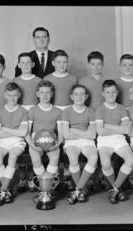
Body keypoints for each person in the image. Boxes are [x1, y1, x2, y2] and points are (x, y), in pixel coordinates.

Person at [95, 80, 133, 204]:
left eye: (113, 92)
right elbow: (100, 132)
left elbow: (126, 129)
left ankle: (114, 189)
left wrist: (107, 125)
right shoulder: (100, 109)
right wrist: (118, 129)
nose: (111, 95)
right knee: (106, 163)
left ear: (117, 93)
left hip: (119, 140)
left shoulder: (122, 108)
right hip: (104, 141)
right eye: (108, 92)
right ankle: (117, 189)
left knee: (131, 160)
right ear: (103, 93)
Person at [43, 49, 78, 191]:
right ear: (53, 63)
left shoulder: (73, 78)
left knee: (68, 144)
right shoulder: (48, 78)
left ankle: (68, 176)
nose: (62, 65)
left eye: (64, 62)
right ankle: (55, 176)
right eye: (58, 62)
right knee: (55, 143)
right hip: (54, 113)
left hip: (69, 113)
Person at [25, 80, 63, 203]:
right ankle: (43, 189)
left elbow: (61, 132)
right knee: (35, 159)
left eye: (48, 92)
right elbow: (27, 132)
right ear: (37, 94)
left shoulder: (58, 111)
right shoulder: (32, 110)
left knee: (55, 158)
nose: (45, 95)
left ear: (52, 94)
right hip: (36, 142)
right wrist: (31, 144)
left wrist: (58, 143)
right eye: (42, 92)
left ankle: (48, 189)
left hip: (52, 141)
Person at [0, 82, 29, 206]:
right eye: (9, 95)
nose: (12, 98)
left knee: (13, 157)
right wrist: (15, 131)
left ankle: (3, 191)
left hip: (17, 142)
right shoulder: (0, 111)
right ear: (5, 95)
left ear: (19, 95)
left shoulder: (23, 111)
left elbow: (24, 132)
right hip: (2, 141)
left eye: (14, 95)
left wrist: (5, 129)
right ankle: (7, 190)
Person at [114, 54, 133, 190]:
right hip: (121, 118)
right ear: (120, 66)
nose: (127, 68)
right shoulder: (116, 82)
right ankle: (119, 177)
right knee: (122, 146)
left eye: (130, 65)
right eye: (124, 65)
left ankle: (130, 176)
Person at [62, 84, 98, 204]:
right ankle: (81, 190)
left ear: (86, 96)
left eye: (82, 94)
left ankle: (78, 190)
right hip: (71, 141)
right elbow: (66, 135)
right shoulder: (67, 112)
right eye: (76, 94)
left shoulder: (91, 112)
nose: (79, 97)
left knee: (93, 158)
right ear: (72, 97)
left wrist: (74, 130)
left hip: (87, 141)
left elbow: (92, 135)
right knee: (73, 158)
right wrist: (84, 133)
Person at [79, 51, 108, 191]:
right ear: (89, 64)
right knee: (89, 147)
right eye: (93, 64)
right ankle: (90, 177)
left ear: (102, 64)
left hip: (104, 118)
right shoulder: (83, 81)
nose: (96, 67)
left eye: (98, 64)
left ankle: (102, 176)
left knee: (102, 147)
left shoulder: (108, 80)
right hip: (88, 118)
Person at [13, 52, 42, 193]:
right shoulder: (15, 81)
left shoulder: (38, 80)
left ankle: (31, 179)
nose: (25, 65)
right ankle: (22, 178)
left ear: (33, 64)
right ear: (19, 65)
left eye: (28, 62)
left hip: (34, 118)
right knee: (20, 147)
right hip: (20, 118)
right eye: (22, 63)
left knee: (32, 147)